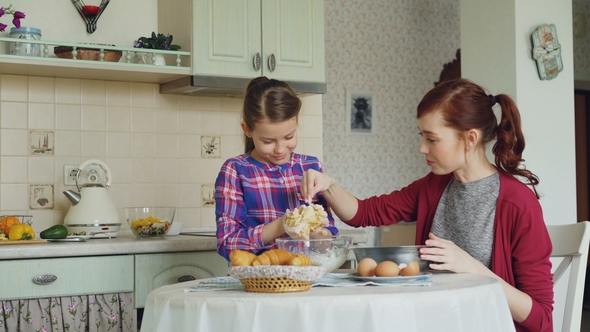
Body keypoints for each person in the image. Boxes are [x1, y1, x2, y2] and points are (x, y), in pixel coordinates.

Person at [300, 78, 553, 332]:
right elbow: (363, 213)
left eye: (432, 139)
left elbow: (541, 318)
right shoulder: (433, 187)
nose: (422, 148)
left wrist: (472, 267)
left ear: (470, 138)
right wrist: (328, 185)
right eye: (422, 136)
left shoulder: (518, 204)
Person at [215, 76, 338, 261]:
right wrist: (283, 225)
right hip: (258, 281)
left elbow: (329, 230)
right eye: (268, 141)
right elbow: (228, 243)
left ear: (296, 122)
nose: (280, 149)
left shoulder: (310, 166)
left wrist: (322, 236)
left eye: (289, 137)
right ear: (247, 129)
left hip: (306, 279)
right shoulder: (235, 171)